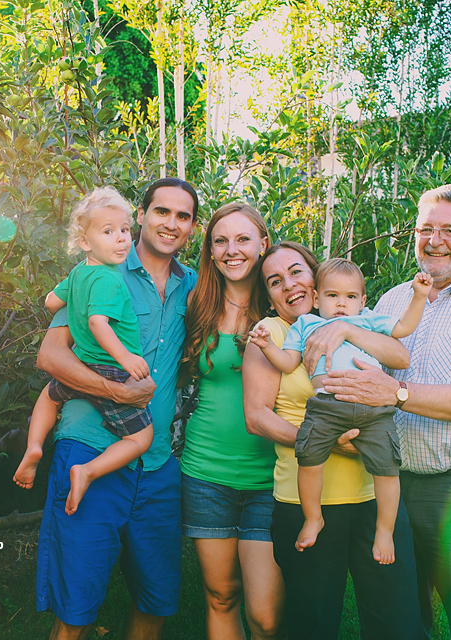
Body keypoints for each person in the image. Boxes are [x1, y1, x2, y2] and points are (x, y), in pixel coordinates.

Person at [322, 184, 451, 640]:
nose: (435, 240)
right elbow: (361, 377)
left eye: (450, 231)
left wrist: (395, 392)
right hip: (392, 486)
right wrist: (344, 428)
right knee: (399, 619)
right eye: (425, 229)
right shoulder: (394, 302)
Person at [35, 178, 198, 640]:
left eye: (182, 216)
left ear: (191, 228)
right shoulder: (101, 271)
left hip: (157, 461)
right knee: (76, 604)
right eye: (161, 211)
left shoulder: (194, 287)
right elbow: (51, 356)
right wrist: (115, 392)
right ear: (142, 215)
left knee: (157, 598)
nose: (171, 223)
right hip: (89, 450)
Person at [243, 242, 425, 640]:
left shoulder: (358, 320)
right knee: (313, 624)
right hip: (303, 495)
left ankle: (384, 529)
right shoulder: (280, 330)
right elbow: (256, 417)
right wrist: (328, 441)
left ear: (314, 277)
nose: (288, 285)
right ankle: (314, 520)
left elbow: (398, 352)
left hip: (369, 497)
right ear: (269, 294)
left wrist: (345, 326)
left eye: (295, 272)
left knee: (397, 623)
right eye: (275, 281)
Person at [13, 187, 153, 517]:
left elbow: (50, 301)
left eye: (124, 230)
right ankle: (88, 471)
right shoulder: (110, 279)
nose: (121, 239)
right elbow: (98, 323)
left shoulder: (78, 274)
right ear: (86, 242)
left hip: (81, 364)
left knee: (50, 396)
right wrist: (127, 359)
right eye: (109, 232)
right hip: (111, 369)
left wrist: (66, 299)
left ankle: (34, 446)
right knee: (141, 439)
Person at [180, 202, 283, 640]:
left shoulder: (285, 303)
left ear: (263, 244)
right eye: (220, 241)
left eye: (243, 239)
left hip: (271, 477)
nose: (231, 250)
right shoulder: (195, 302)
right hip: (205, 473)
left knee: (266, 617)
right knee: (221, 596)